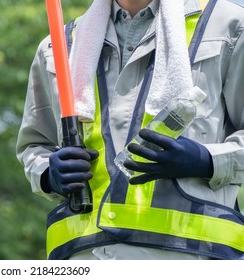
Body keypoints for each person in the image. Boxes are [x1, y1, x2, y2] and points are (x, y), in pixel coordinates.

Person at [16, 0, 244, 260]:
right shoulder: (57, 45)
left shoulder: (230, 25)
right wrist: (48, 174)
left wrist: (206, 160)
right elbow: (34, 145)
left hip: (190, 256)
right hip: (82, 257)